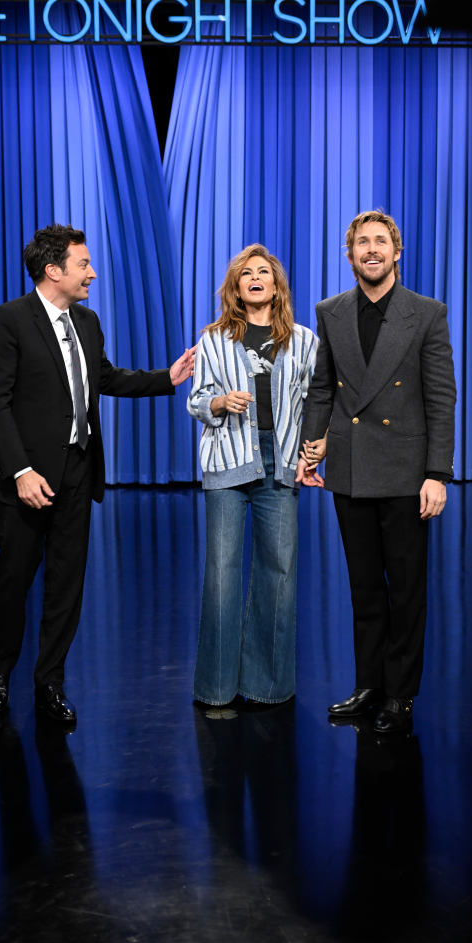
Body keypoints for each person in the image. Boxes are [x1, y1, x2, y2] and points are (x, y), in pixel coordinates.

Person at [0, 223, 195, 722]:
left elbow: (106, 377)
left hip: (77, 472)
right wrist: (21, 471)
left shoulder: (88, 322)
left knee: (66, 585)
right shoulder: (7, 320)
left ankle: (49, 682)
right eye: (84, 265)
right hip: (26, 482)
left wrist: (168, 377)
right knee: (13, 582)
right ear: (53, 271)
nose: (92, 273)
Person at [296, 211, 456, 733]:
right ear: (349, 255)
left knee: (405, 588)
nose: (371, 250)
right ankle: (370, 684)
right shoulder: (331, 311)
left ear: (397, 252)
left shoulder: (427, 313)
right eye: (361, 242)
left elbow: (441, 396)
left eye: (380, 242)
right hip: (351, 465)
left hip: (408, 471)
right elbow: (323, 386)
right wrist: (312, 443)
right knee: (364, 586)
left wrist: (438, 473)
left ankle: (400, 694)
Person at [188, 244, 319, 707]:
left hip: (279, 461)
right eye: (247, 273)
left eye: (264, 272)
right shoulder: (213, 339)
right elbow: (197, 399)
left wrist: (312, 452)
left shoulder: (303, 340)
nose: (256, 278)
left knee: (278, 571)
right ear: (236, 288)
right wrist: (219, 404)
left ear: (276, 284)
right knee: (222, 574)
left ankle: (267, 686)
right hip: (228, 460)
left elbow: (313, 403)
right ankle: (217, 688)